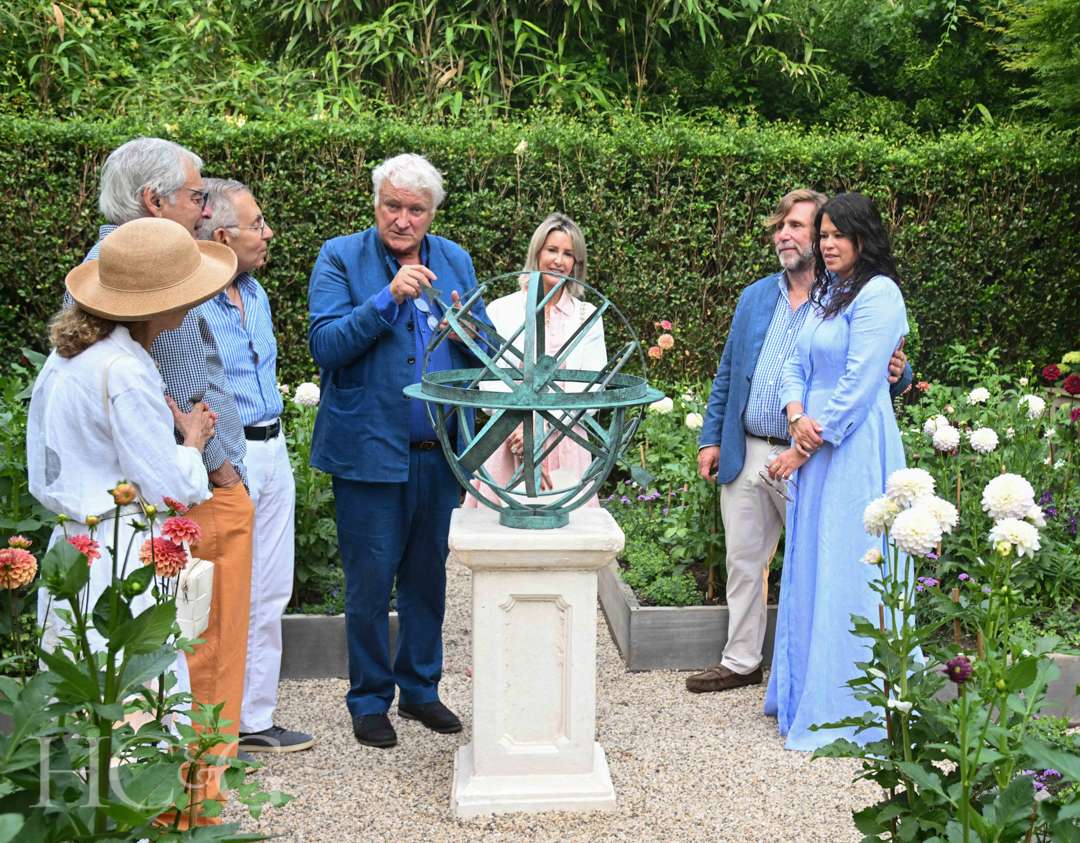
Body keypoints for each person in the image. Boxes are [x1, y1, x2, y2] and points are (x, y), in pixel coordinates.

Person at [79, 137, 255, 816]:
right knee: (197, 659)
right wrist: (224, 471)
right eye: (195, 195)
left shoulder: (107, 267)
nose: (206, 208)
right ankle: (191, 810)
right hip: (191, 498)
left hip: (160, 499)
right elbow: (183, 393)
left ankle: (176, 806)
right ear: (153, 202)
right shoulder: (151, 275)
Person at [687, 189, 911, 695]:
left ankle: (822, 675)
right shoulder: (757, 296)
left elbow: (877, 370)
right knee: (744, 561)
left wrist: (900, 373)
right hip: (751, 447)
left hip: (812, 455)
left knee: (818, 562)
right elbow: (728, 371)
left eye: (802, 227)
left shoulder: (850, 294)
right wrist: (711, 437)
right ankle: (741, 661)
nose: (787, 235)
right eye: (781, 226)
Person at [308, 153, 488, 749]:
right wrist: (387, 298)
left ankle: (420, 690)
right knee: (369, 582)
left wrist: (465, 325)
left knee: (425, 580)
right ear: (376, 203)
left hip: (438, 451)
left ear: (432, 213)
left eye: (416, 209)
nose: (403, 219)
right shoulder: (341, 257)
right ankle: (368, 699)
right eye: (393, 205)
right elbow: (327, 346)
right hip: (366, 451)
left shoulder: (455, 258)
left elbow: (484, 346)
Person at [28, 216, 234, 706]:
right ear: (158, 304)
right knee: (130, 706)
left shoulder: (71, 357)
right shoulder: (124, 371)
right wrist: (194, 440)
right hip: (119, 559)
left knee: (79, 704)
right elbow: (169, 487)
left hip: (74, 548)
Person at [762, 191, 910, 751]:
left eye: (833, 236)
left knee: (850, 563)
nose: (824, 245)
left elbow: (860, 381)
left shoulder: (880, 294)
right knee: (810, 563)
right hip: (814, 437)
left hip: (850, 447)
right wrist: (796, 414)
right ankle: (805, 693)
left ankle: (851, 707)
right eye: (820, 236)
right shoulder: (826, 294)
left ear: (861, 240)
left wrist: (803, 448)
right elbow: (794, 365)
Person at [198, 178, 314, 754]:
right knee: (220, 593)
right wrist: (222, 465)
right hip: (227, 458)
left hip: (274, 449)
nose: (268, 234)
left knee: (271, 589)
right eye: (258, 224)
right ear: (223, 236)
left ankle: (255, 719)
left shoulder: (257, 293)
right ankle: (210, 724)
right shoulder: (193, 300)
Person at [465, 213, 606, 506]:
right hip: (507, 439)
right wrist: (521, 430)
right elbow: (491, 380)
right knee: (500, 536)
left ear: (576, 263)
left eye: (568, 254)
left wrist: (542, 429)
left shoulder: (587, 316)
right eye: (552, 250)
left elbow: (592, 389)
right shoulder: (503, 309)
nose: (559, 260)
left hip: (567, 441)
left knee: (566, 538)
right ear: (537, 253)